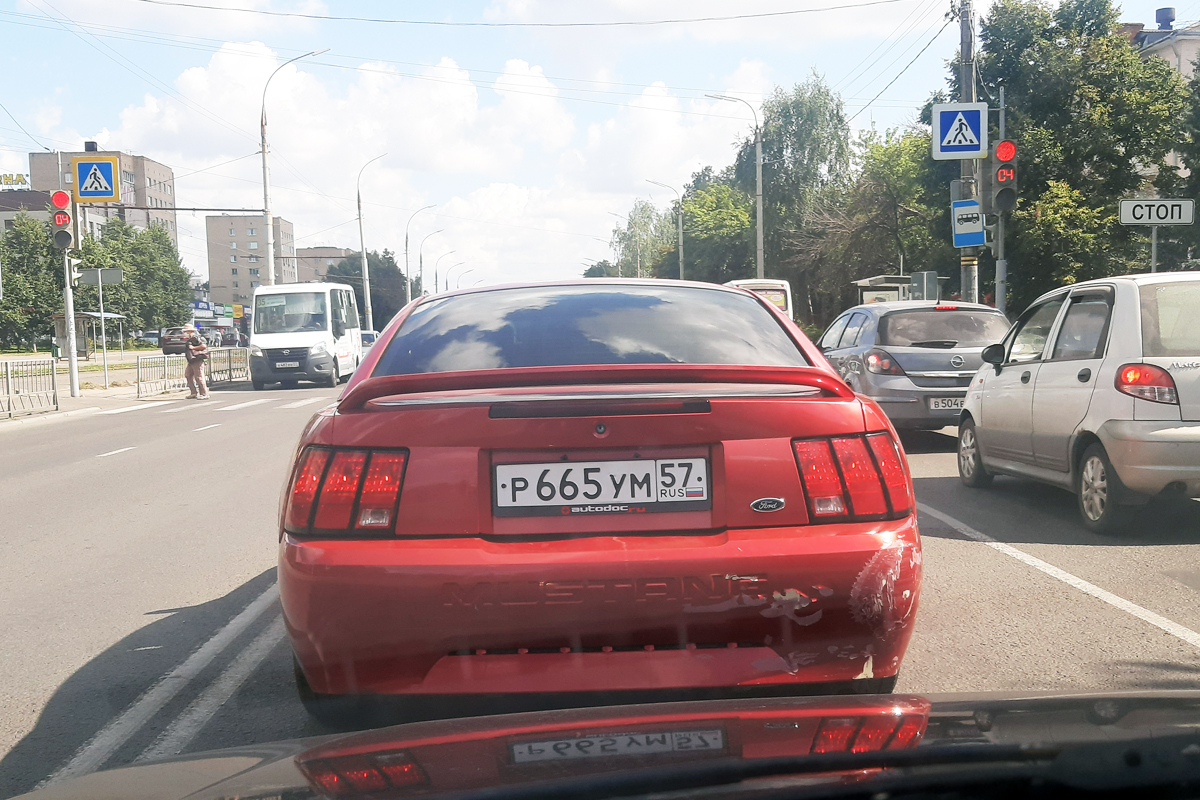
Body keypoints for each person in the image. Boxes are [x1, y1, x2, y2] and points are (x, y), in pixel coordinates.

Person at [185, 331, 209, 399]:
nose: (184, 333)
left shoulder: (197, 338)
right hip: (192, 360)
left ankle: (204, 394)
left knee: (199, 377)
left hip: (197, 359)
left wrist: (193, 348)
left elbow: (203, 346)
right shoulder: (190, 339)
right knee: (188, 375)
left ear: (190, 331)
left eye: (185, 331)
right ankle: (193, 392)